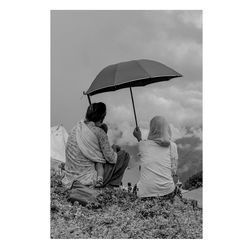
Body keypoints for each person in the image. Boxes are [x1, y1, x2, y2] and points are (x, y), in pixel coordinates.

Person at [62, 102, 129, 188]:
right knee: (124, 155)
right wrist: (115, 150)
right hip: (87, 178)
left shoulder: (76, 128)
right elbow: (111, 158)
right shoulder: (99, 132)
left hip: (69, 178)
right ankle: (110, 185)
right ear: (102, 117)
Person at [133, 116, 178, 199]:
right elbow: (174, 171)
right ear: (166, 128)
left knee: (137, 186)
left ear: (151, 129)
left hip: (144, 194)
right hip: (168, 192)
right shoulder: (173, 146)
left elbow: (141, 168)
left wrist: (139, 138)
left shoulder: (143, 145)